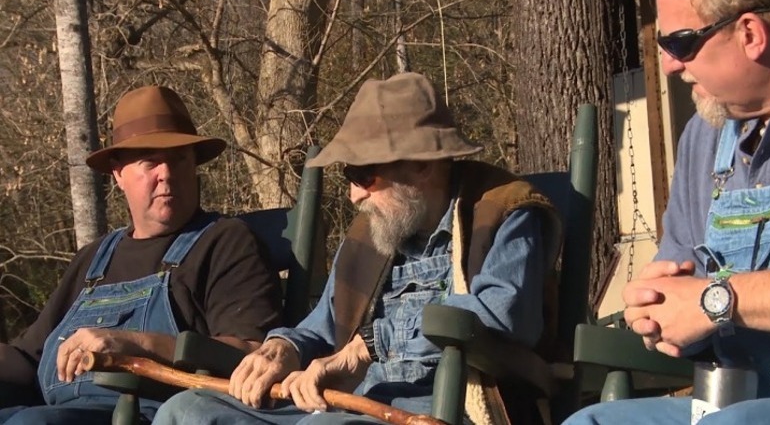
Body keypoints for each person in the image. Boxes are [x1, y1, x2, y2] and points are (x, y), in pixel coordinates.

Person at [152, 72, 561, 425]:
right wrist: (284, 348)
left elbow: (502, 316)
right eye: (349, 174)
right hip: (352, 404)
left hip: (447, 406)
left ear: (422, 163)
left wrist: (369, 345)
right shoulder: (376, 231)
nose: (352, 195)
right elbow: (322, 327)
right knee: (188, 411)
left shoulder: (503, 212)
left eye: (365, 175)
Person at [0, 86, 283, 424]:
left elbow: (252, 353)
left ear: (194, 165)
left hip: (155, 415)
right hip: (57, 412)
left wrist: (135, 343)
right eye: (150, 161)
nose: (166, 174)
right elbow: (27, 357)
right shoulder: (93, 260)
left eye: (178, 158)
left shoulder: (225, 242)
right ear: (118, 174)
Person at [563, 0, 770, 424]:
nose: (668, 65)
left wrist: (713, 300)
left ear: (751, 34)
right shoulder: (705, 136)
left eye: (679, 42)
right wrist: (653, 308)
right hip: (728, 395)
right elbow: (682, 294)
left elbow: (705, 300)